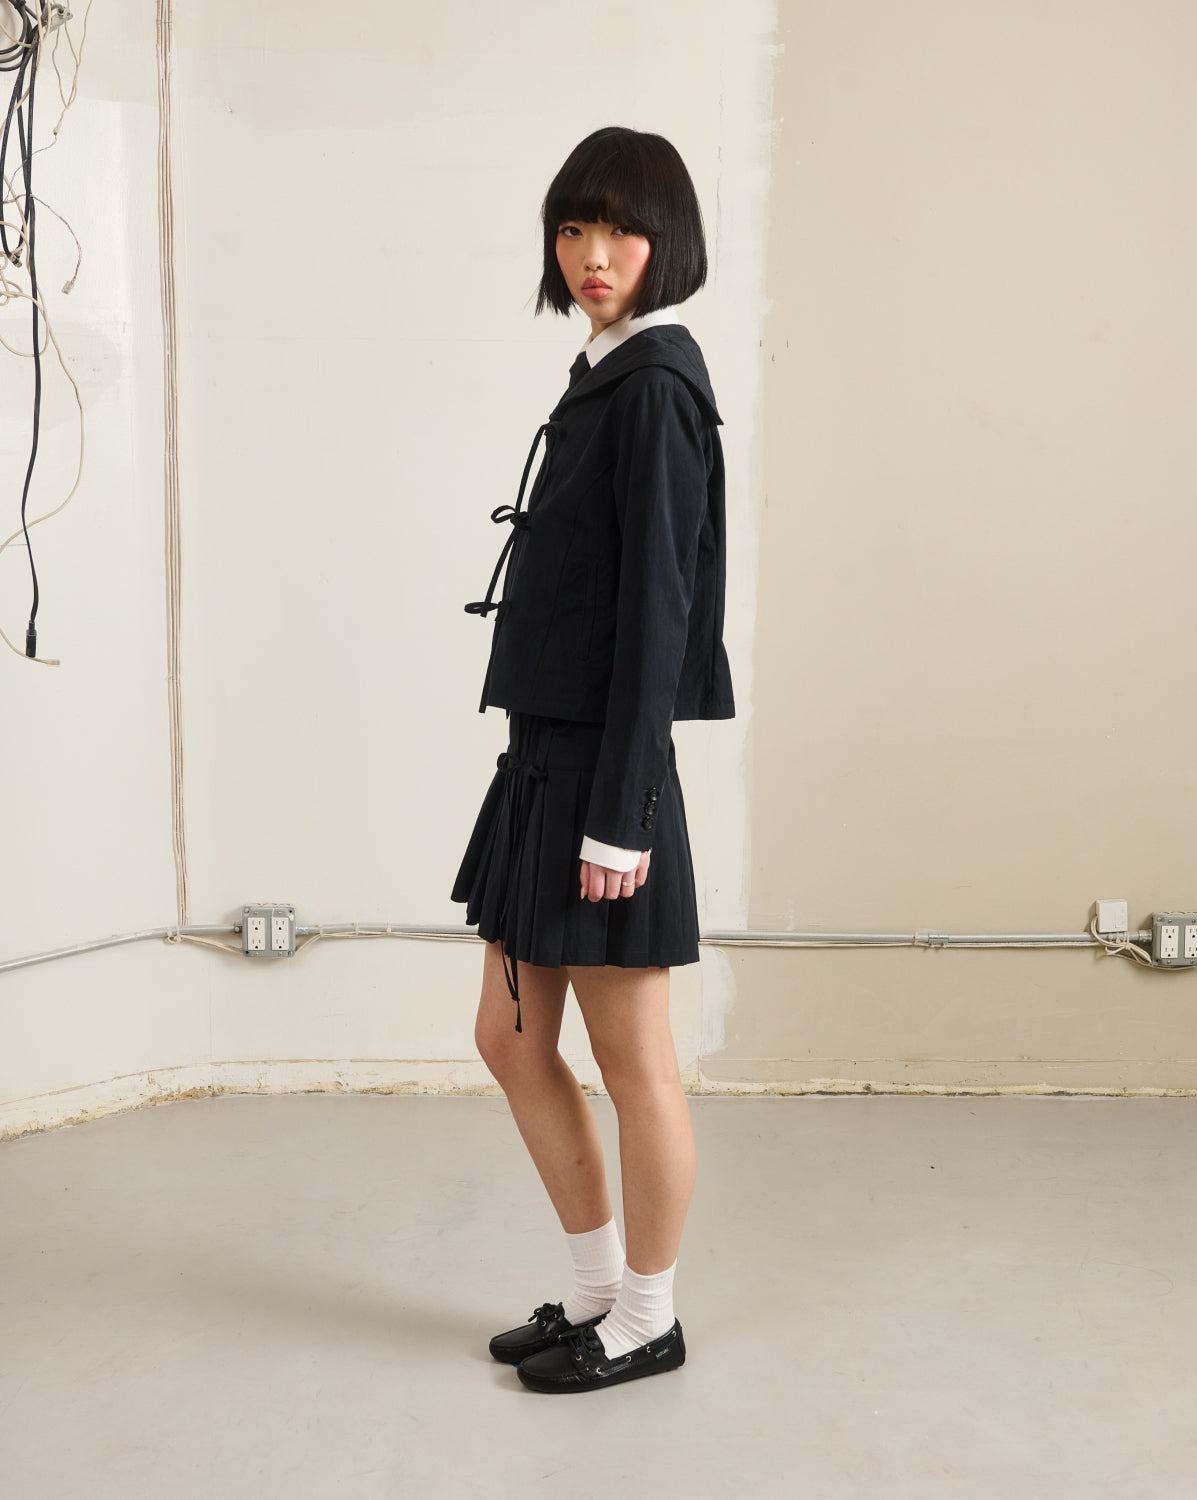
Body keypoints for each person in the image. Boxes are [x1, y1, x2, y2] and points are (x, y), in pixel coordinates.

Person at [450, 126, 735, 1393]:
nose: (594, 254)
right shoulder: (605, 375)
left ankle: (649, 1316)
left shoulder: (657, 386)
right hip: (544, 762)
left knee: (635, 1064)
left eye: (620, 229)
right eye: (573, 228)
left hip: (605, 780)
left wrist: (620, 815)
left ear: (668, 243)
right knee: (512, 1039)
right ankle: (594, 1291)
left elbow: (660, 618)